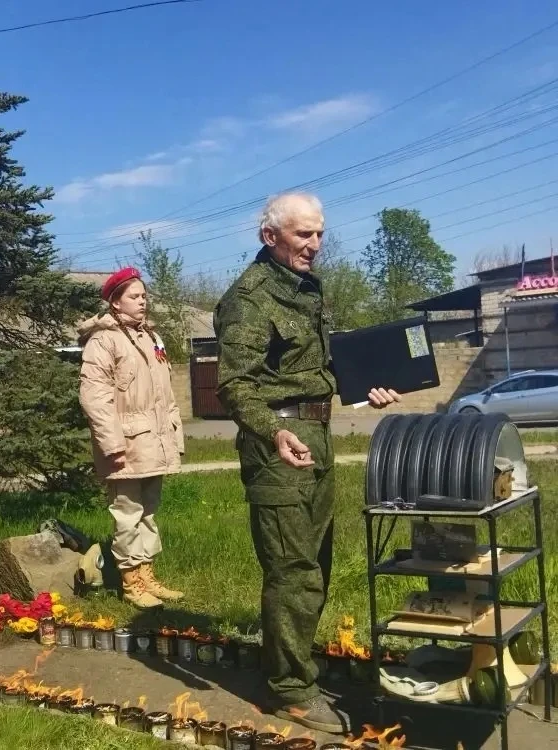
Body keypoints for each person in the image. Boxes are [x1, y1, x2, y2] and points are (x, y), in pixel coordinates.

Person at [213, 193, 400, 734]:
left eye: (319, 234)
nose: (315, 244)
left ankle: (294, 666)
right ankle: (290, 690)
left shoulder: (305, 289)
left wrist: (366, 387)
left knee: (315, 565)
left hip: (314, 436)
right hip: (278, 444)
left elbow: (310, 369)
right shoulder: (249, 298)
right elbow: (235, 385)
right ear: (270, 236)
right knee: (292, 570)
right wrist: (273, 432)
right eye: (303, 234)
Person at [78, 267, 186, 609]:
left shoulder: (150, 338)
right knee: (127, 513)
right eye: (134, 296)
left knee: (148, 512)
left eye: (144, 296)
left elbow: (166, 397)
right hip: (125, 444)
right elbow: (95, 398)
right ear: (115, 302)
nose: (142, 302)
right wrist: (112, 445)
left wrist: (175, 438)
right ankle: (130, 583)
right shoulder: (103, 341)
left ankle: (147, 575)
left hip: (154, 441)